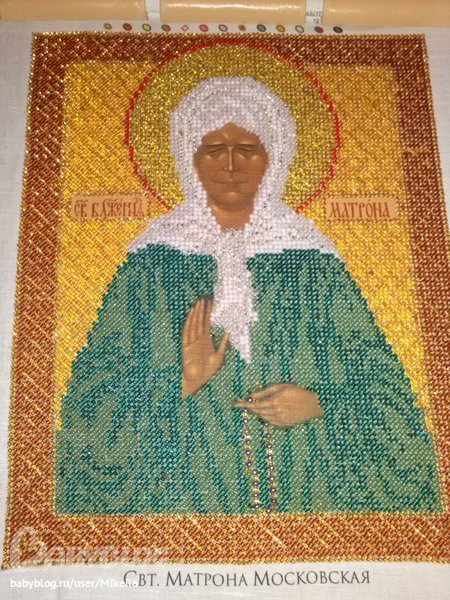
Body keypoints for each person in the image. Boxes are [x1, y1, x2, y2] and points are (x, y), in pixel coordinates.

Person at [56, 76, 441, 514]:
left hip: (306, 493)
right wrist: (183, 380)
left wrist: (319, 404)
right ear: (189, 159)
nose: (231, 165)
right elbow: (91, 401)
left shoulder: (313, 263)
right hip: (186, 504)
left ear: (273, 158)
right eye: (213, 148)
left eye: (247, 148)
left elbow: (384, 388)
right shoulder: (151, 266)